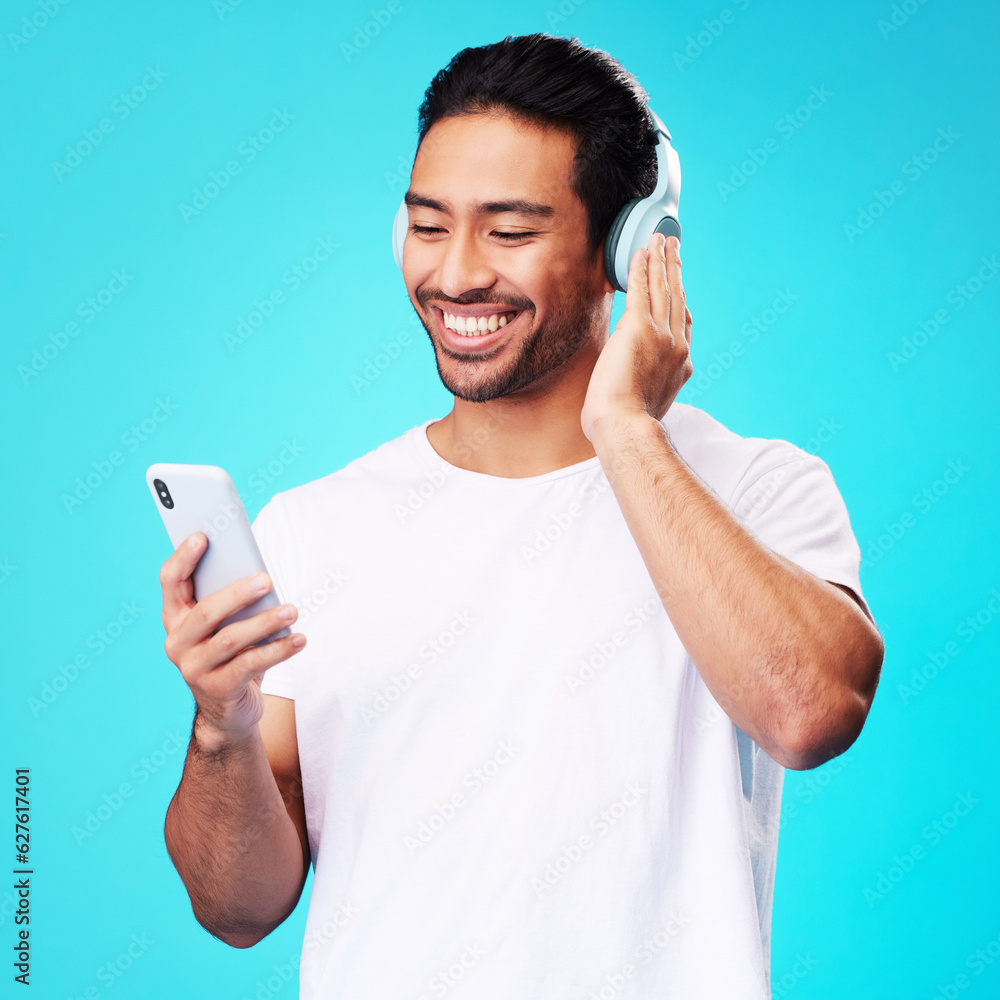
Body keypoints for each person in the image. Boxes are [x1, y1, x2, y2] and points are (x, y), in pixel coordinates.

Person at [159, 32, 883, 1000]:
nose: (457, 274)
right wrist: (221, 729)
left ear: (629, 245)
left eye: (509, 232)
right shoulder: (311, 527)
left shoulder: (757, 488)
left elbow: (809, 716)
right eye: (427, 224)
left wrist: (624, 430)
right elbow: (236, 910)